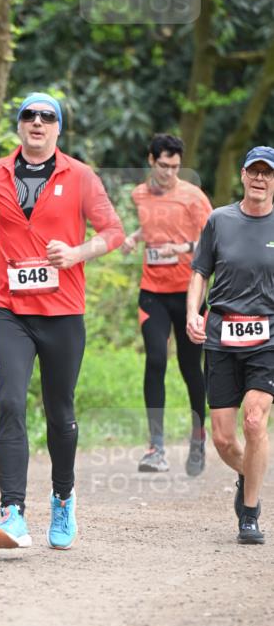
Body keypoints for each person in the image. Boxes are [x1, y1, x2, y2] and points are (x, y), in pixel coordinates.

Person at [0, 92, 124, 550]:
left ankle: (63, 498)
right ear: (19, 125)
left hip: (64, 313)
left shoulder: (81, 176)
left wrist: (76, 253)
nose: (37, 122)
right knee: (10, 402)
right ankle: (11, 513)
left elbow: (113, 232)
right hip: (10, 311)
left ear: (58, 127)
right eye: (28, 115)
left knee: (60, 412)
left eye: (47, 116)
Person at [186, 146, 274, 545]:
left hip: (267, 338)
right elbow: (200, 272)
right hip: (221, 334)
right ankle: (248, 474)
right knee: (222, 438)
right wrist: (193, 313)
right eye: (254, 171)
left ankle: (251, 514)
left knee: (254, 420)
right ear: (242, 175)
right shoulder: (219, 220)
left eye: (267, 173)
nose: (260, 178)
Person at [122, 134, 212, 475]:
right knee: (156, 359)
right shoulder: (139, 194)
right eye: (163, 166)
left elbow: (213, 241)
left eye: (175, 167)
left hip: (189, 292)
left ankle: (198, 437)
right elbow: (153, 227)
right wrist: (134, 237)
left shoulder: (194, 197)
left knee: (191, 368)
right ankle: (155, 447)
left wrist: (186, 248)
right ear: (151, 160)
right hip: (153, 293)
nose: (169, 173)